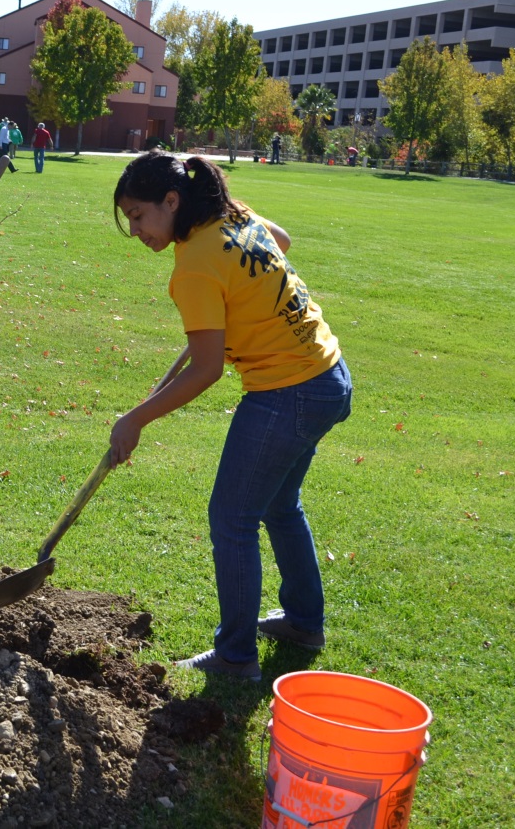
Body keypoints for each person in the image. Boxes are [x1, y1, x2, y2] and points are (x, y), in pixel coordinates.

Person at [110, 151, 352, 681]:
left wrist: (135, 419)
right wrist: (238, 301)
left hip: (288, 391)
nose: (136, 231)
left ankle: (236, 656)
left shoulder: (194, 263)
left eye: (140, 216)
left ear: (172, 201)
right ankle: (305, 623)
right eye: (129, 219)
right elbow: (280, 241)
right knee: (281, 505)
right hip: (329, 375)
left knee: (232, 518)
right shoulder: (233, 214)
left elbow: (205, 371)